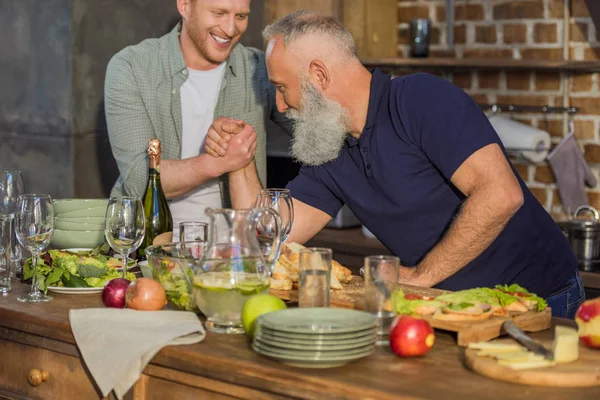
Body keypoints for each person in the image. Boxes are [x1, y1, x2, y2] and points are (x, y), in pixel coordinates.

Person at [205, 10, 585, 319]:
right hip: (450, 307)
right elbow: (269, 238)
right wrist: (237, 159)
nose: (282, 105)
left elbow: (501, 195)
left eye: (282, 87)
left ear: (318, 76)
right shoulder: (329, 145)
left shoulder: (422, 99)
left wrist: (422, 276)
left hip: (540, 300)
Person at [104, 0, 289, 237]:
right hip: (147, 245)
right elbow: (139, 179)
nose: (231, 29)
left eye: (241, 16)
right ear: (184, 5)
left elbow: (314, 137)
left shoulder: (260, 69)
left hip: (238, 250)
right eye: (219, 13)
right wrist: (218, 161)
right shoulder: (131, 67)